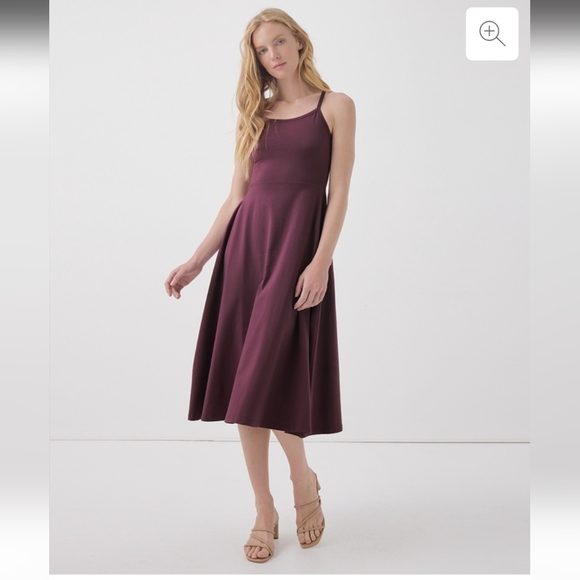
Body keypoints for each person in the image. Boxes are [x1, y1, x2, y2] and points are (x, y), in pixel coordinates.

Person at [164, 8, 355, 564]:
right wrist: (198, 260)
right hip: (245, 255)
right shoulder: (256, 114)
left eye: (280, 42)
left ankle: (302, 480)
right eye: (262, 49)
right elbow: (236, 199)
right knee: (244, 386)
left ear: (299, 43)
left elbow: (339, 192)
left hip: (297, 253)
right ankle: (265, 508)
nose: (273, 55)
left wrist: (321, 261)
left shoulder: (336, 106)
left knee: (265, 378)